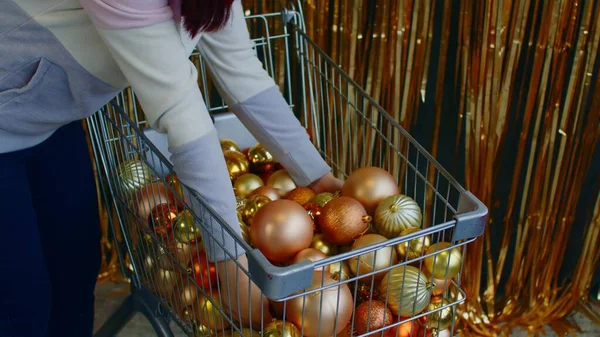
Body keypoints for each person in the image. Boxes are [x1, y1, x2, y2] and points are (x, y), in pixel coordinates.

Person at [0, 0, 343, 336]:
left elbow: (240, 69)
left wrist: (318, 179)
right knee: (22, 306)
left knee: (73, 279)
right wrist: (233, 265)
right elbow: (182, 115)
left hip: (47, 120)